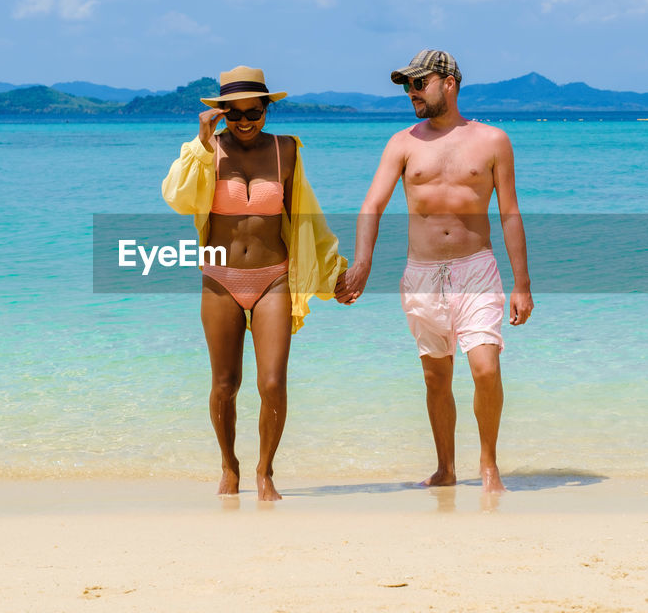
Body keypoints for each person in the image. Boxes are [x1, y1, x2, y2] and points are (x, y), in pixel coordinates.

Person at [336, 49, 533, 494]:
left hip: (476, 270)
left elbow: (510, 214)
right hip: (421, 275)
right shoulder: (402, 143)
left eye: (418, 83)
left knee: (485, 369)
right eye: (407, 85)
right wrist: (363, 263)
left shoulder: (494, 141)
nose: (411, 93)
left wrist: (522, 283)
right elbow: (372, 206)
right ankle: (445, 467)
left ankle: (488, 465)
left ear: (449, 83)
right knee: (435, 377)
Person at [162, 66, 348, 501]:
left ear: (268, 110)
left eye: (255, 113)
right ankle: (229, 465)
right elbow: (177, 197)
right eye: (235, 114)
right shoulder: (206, 152)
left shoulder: (287, 151)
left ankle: (266, 470)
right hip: (220, 279)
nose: (245, 122)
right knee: (225, 384)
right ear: (222, 112)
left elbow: (308, 218)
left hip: (274, 278)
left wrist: (335, 270)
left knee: (272, 383)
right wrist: (202, 144)